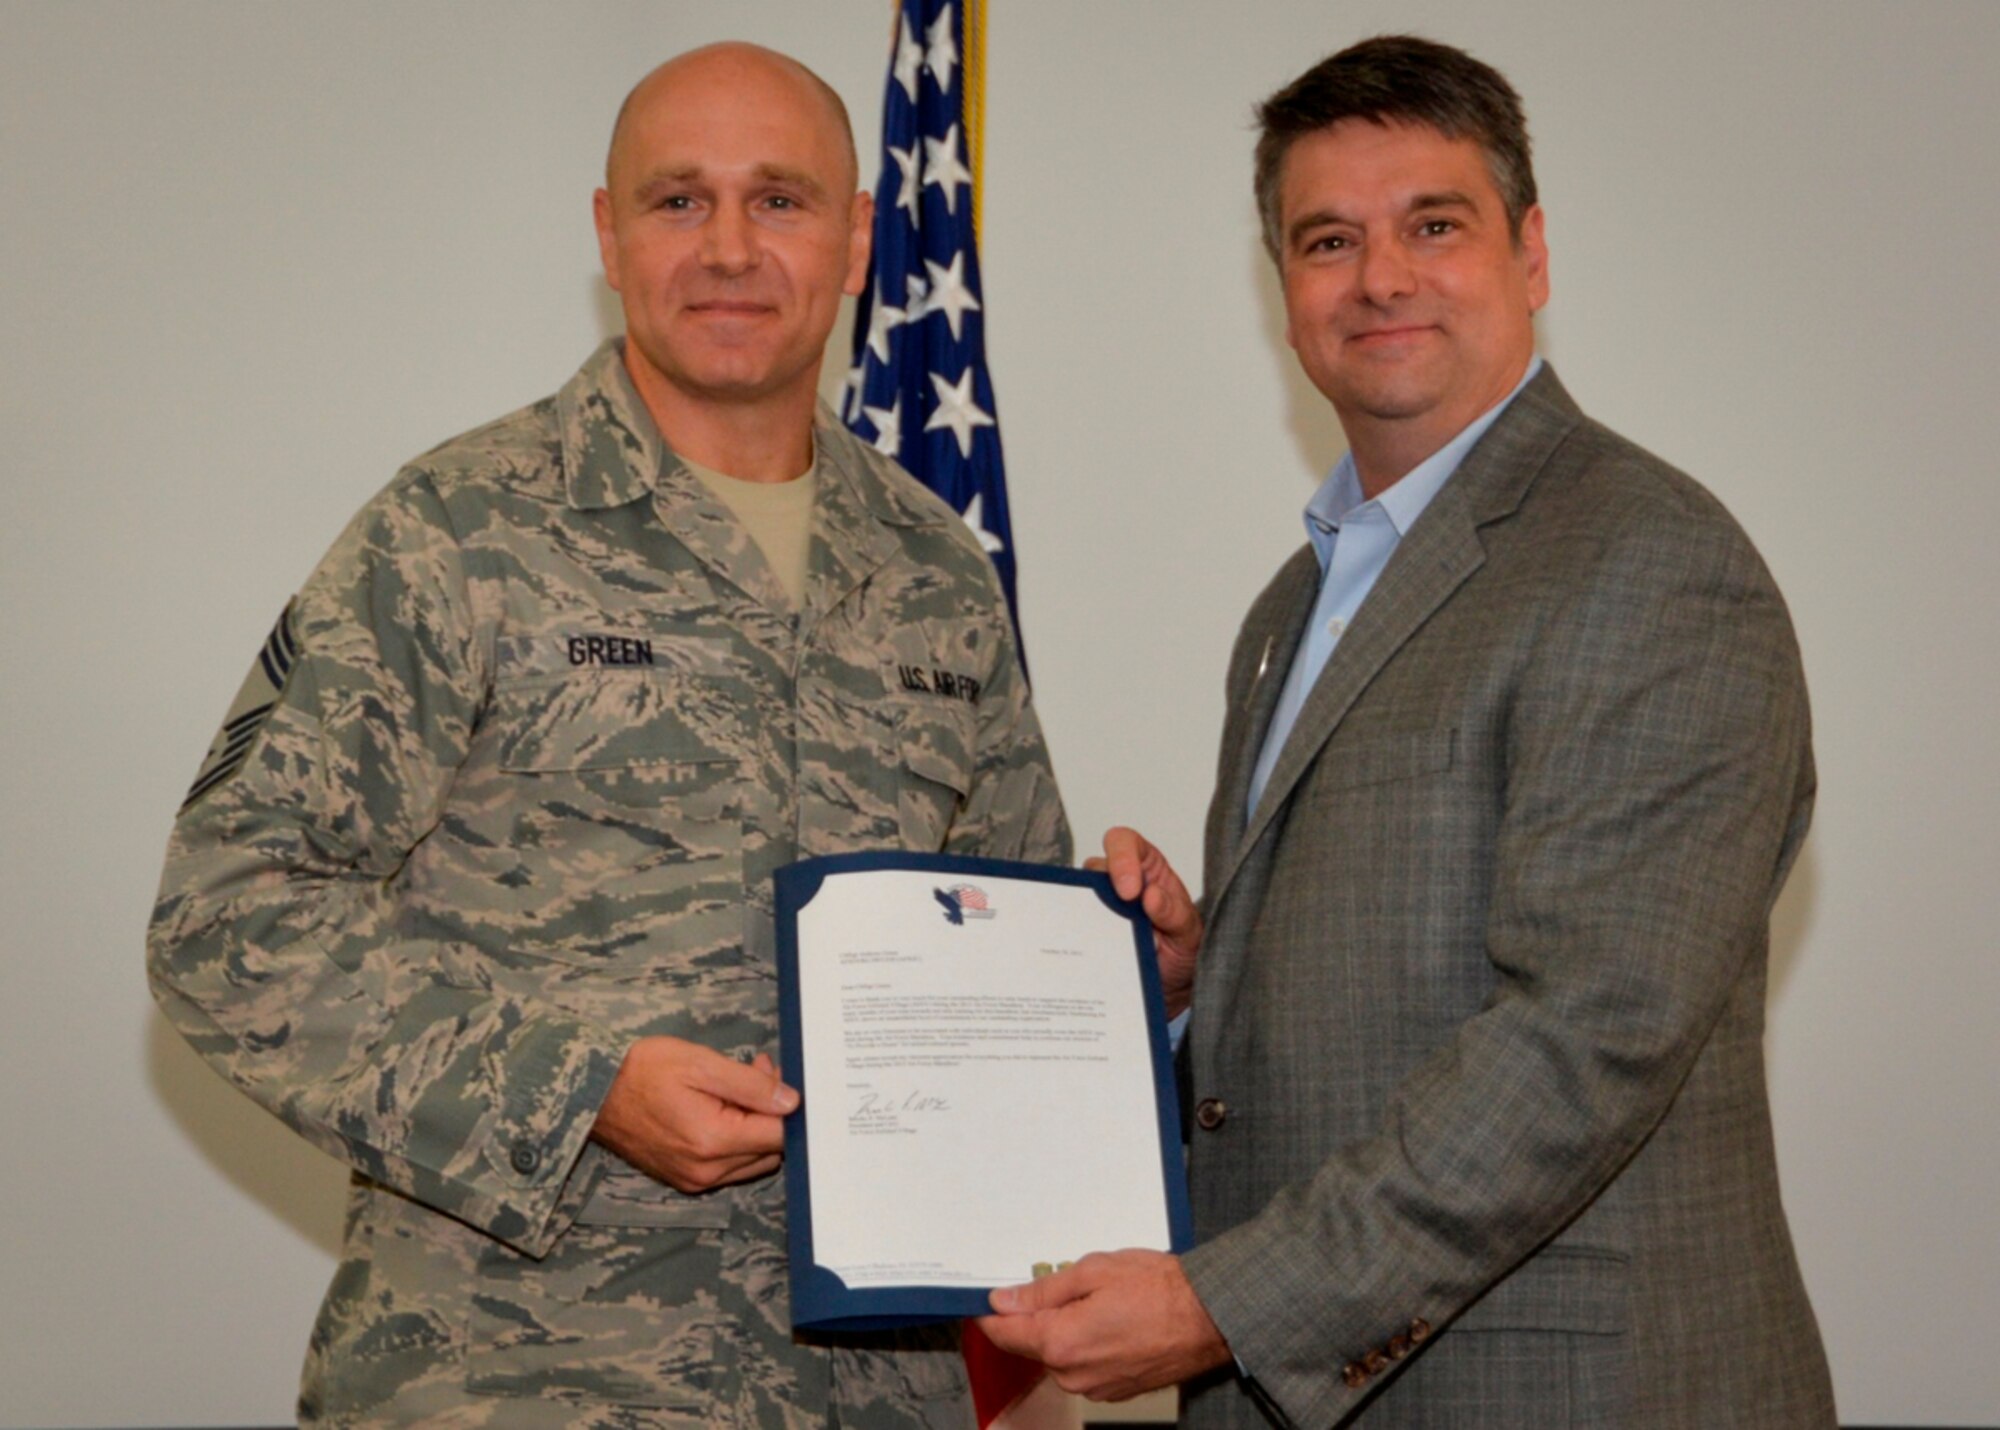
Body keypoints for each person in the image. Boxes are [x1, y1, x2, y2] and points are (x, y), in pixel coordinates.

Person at [148, 42, 1069, 1427]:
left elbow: (1005, 929)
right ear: (608, 234)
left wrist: (1129, 958)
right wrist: (578, 1091)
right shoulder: (459, 528)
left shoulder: (935, 572)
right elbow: (225, 919)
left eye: (781, 199)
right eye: (677, 201)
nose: (729, 247)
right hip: (517, 1374)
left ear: (861, 236)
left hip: (875, 1390)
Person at [977, 34, 1835, 1428]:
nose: (1379, 277)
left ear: (1532, 252)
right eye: (1328, 240)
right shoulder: (1294, 603)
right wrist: (1198, 983)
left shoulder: (1653, 559)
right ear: (1286, 294)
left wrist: (1221, 1302)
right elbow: (1364, 1005)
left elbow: (1583, 1039)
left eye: (1432, 225)